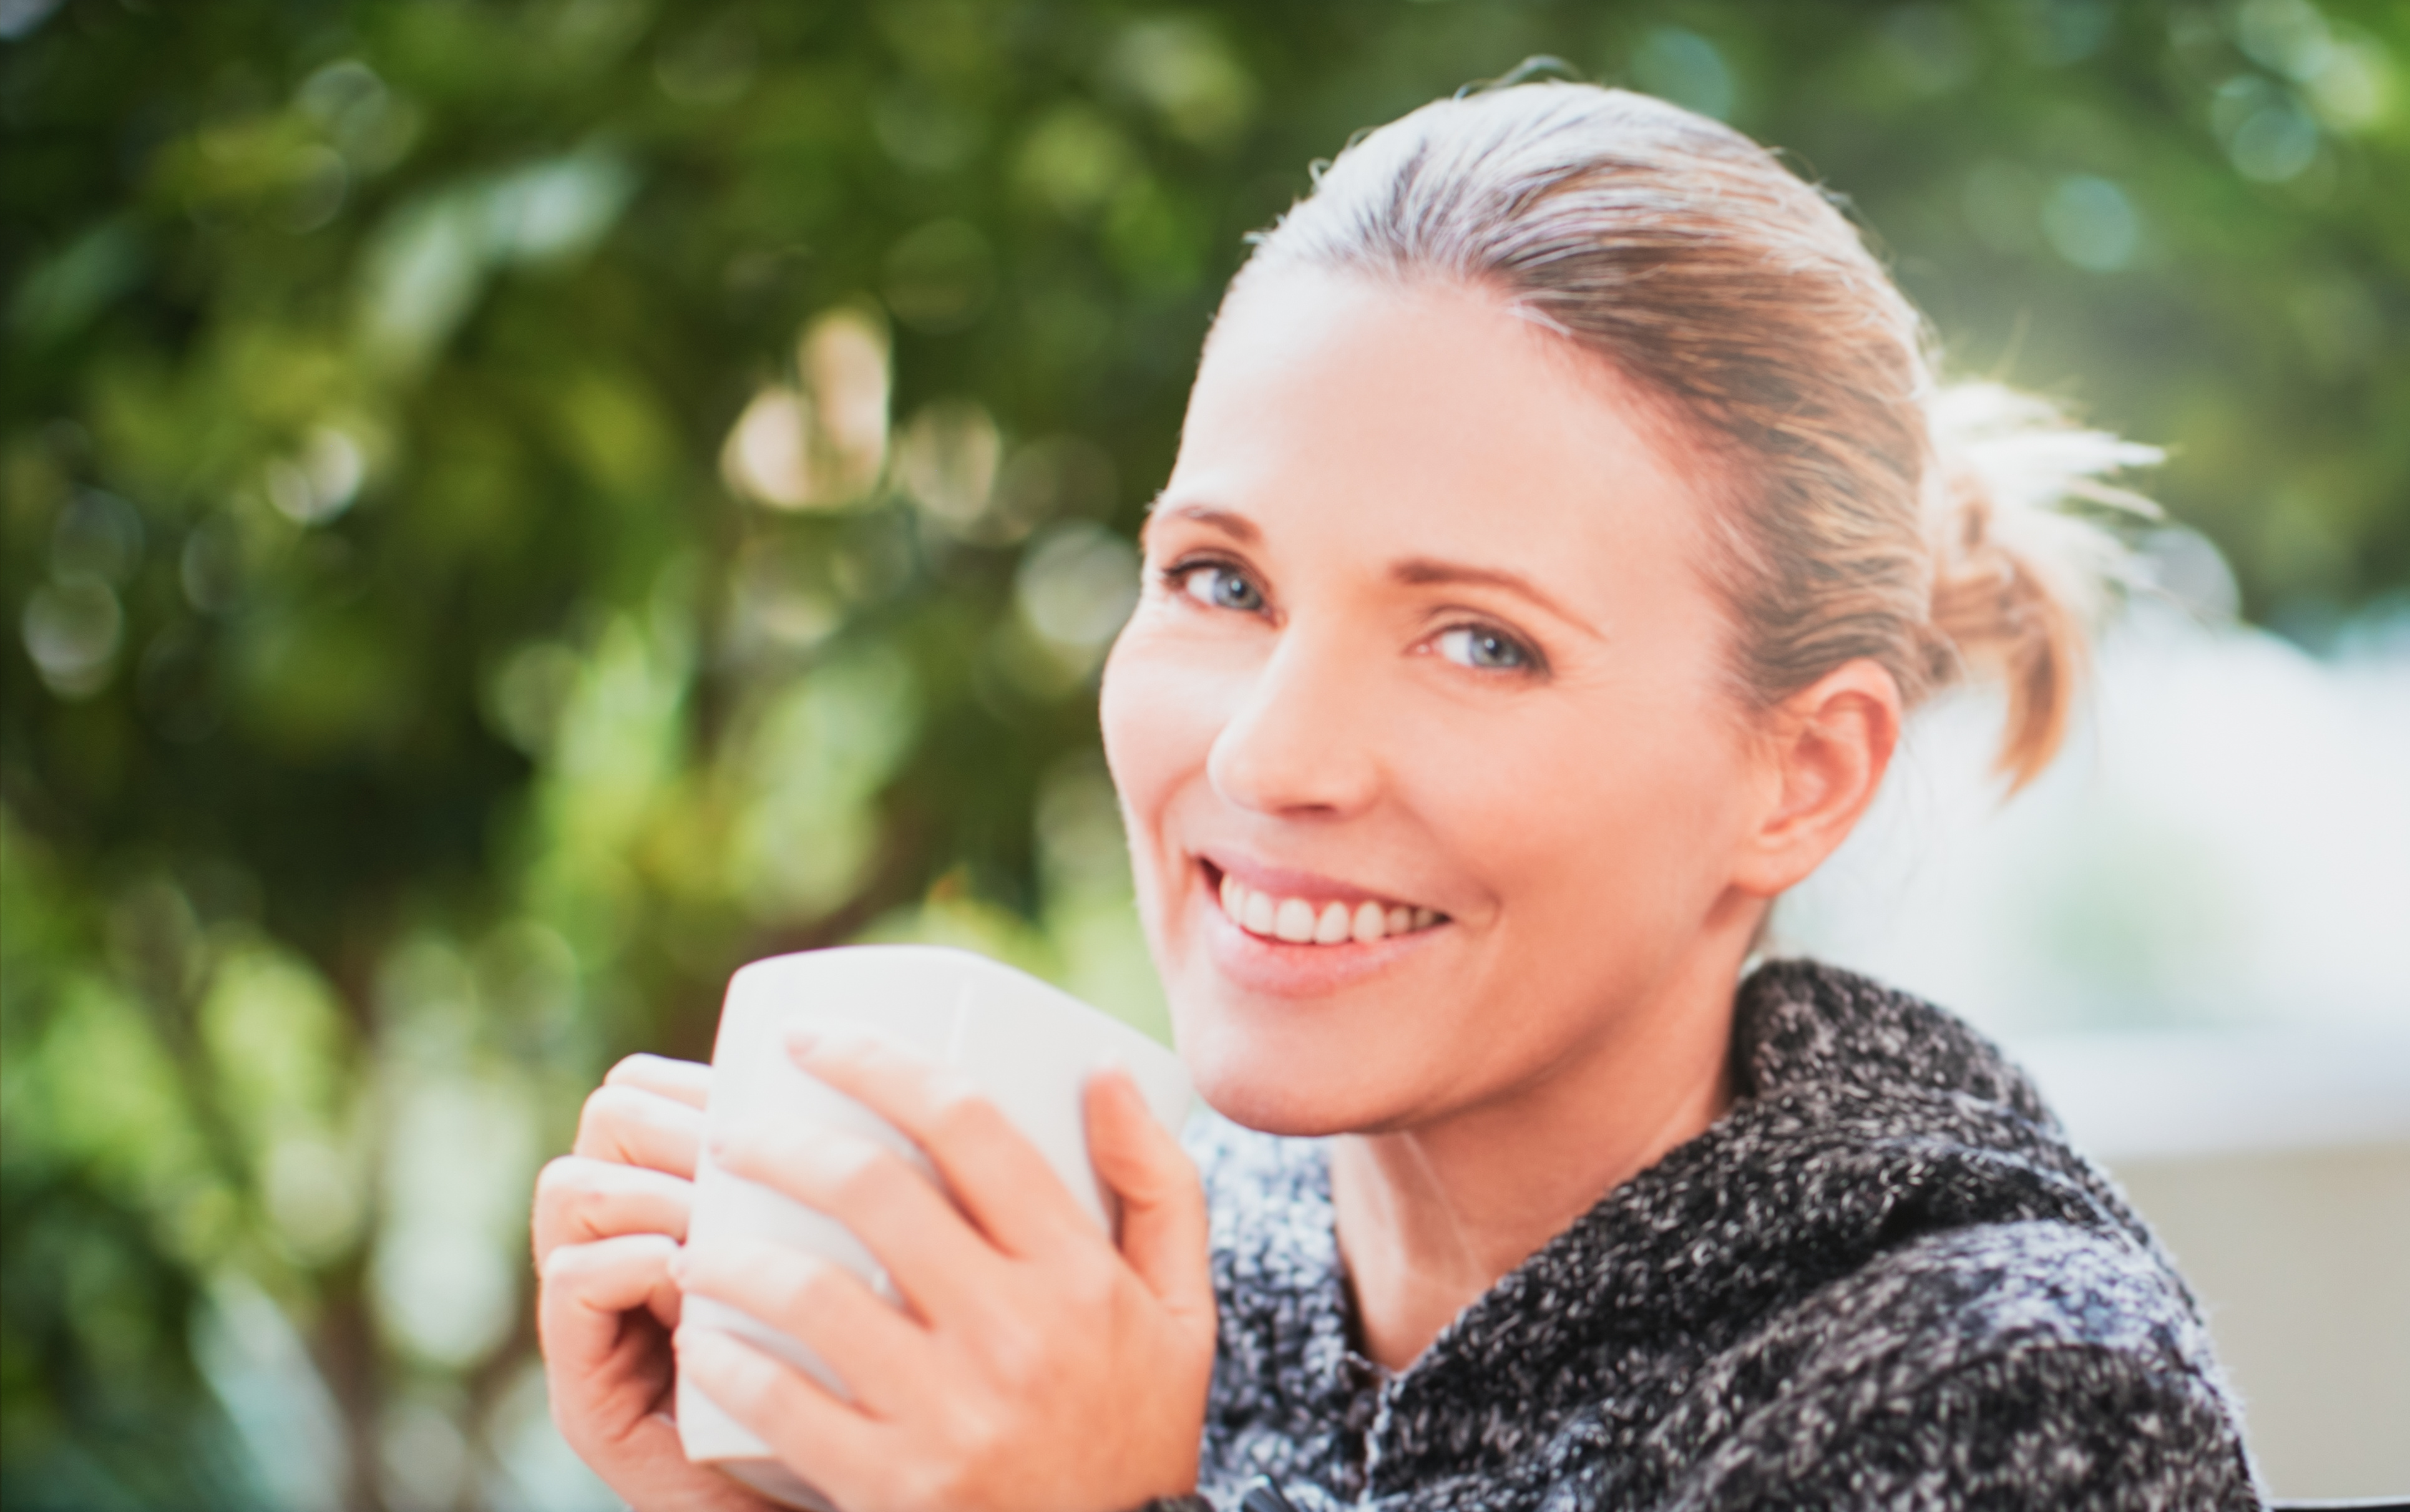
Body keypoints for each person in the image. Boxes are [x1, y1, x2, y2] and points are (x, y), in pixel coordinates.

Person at [531, 79, 2263, 1511]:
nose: (1269, 757)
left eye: (1481, 643)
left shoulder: (2015, 1395)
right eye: (1221, 582)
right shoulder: (1125, 1289)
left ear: (1799, 779)